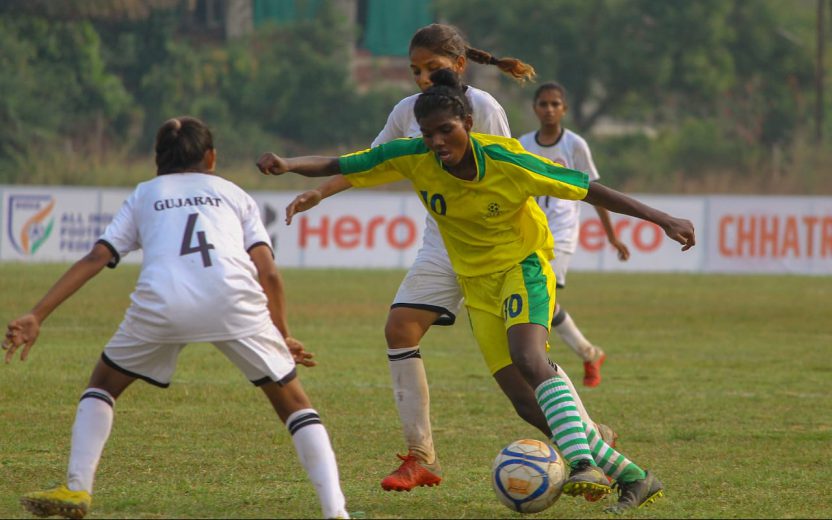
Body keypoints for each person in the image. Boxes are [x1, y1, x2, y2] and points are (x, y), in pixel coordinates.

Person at [256, 70, 695, 513]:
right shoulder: (415, 156)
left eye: (446, 130)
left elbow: (589, 190)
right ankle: (636, 477)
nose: (437, 142)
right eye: (429, 134)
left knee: (529, 358)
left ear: (467, 122)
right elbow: (343, 163)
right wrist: (289, 164)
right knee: (523, 400)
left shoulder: (507, 160)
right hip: (477, 284)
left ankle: (582, 462)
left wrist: (663, 219)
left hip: (521, 266)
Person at [3, 117, 350, 520]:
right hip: (234, 299)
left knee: (102, 385)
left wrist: (37, 314)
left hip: (163, 302)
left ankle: (77, 489)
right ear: (211, 157)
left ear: (157, 159)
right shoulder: (233, 193)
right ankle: (335, 512)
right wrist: (283, 335)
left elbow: (99, 256)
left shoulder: (145, 194)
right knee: (294, 404)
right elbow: (268, 272)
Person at [284, 23, 541, 493]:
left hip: (497, 246)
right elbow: (373, 160)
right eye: (415, 70)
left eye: (432, 68)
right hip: (443, 244)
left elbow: (513, 172)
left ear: (460, 65)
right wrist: (319, 191)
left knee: (525, 364)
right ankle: (419, 455)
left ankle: (585, 437)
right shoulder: (408, 112)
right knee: (400, 326)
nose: (422, 78)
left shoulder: (483, 108)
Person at [518, 81, 631, 388]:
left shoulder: (575, 145)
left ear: (564, 109)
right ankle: (588, 353)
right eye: (543, 103)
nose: (549, 109)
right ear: (535, 108)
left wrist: (611, 236)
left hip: (562, 234)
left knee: (540, 296)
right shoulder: (522, 144)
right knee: (539, 298)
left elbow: (594, 193)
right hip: (529, 233)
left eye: (555, 104)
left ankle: (540, 364)